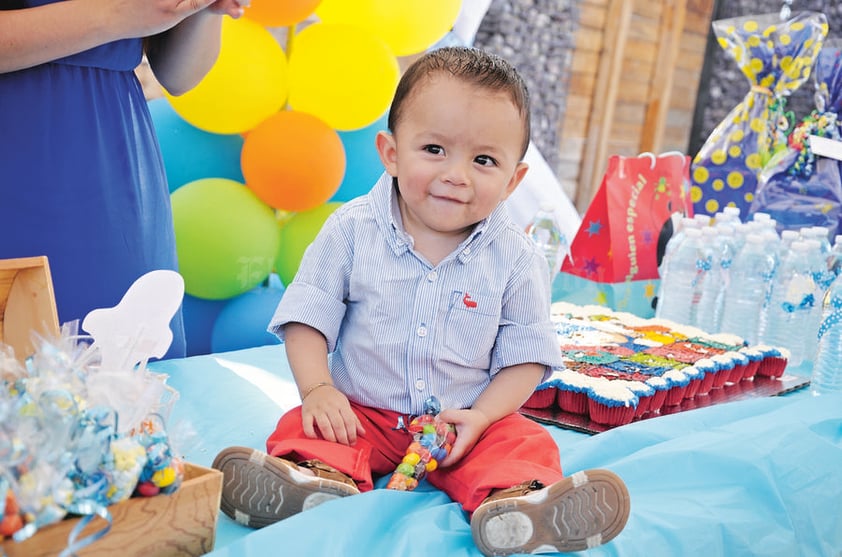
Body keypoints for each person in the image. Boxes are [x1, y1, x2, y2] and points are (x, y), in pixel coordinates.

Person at [212, 46, 630, 556]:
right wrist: (319, 388)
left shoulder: (515, 255)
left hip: (463, 424)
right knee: (306, 423)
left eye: (483, 160)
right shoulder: (351, 229)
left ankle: (518, 505)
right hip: (362, 411)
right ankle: (315, 482)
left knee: (523, 441)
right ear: (391, 152)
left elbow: (525, 356)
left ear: (513, 180)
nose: (457, 174)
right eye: (434, 149)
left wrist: (482, 417)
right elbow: (308, 315)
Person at [0, 0, 245, 358]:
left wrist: (203, 9)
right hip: (19, 143)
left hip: (114, 166)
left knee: (129, 375)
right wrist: (117, 15)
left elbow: (179, 75)